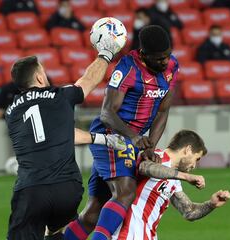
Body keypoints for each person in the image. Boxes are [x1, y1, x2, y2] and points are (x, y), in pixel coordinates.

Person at [64, 25, 179, 240]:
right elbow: (107, 113)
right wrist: (134, 139)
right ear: (144, 55)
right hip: (111, 136)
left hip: (132, 140)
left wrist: (149, 146)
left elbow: (163, 110)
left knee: (94, 213)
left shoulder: (172, 66)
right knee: (125, 192)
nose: (164, 62)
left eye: (167, 55)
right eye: (159, 58)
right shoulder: (126, 69)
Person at [5, 31, 122, 240]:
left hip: (32, 189)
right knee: (59, 233)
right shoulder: (60, 96)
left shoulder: (11, 112)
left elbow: (51, 134)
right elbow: (89, 80)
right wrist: (105, 53)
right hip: (67, 188)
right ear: (40, 77)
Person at [112, 130, 230, 239]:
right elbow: (144, 167)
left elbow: (189, 211)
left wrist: (211, 204)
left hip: (146, 235)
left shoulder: (173, 178)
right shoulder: (156, 156)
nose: (194, 166)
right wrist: (185, 176)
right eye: (197, 159)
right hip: (127, 234)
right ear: (188, 149)